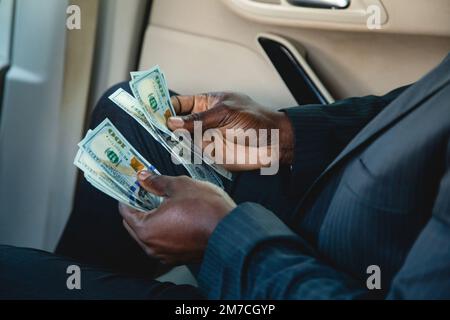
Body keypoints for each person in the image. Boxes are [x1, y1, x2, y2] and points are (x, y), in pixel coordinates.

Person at [1, 54, 449, 299]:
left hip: (325, 279)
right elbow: (416, 110)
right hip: (345, 215)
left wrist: (225, 239)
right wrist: (289, 133)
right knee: (127, 116)